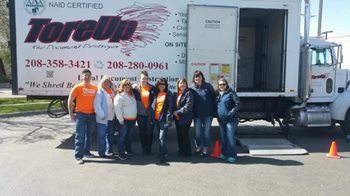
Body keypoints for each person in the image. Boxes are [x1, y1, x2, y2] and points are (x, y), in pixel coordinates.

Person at [68, 69, 98, 164]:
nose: (87, 77)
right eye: (85, 75)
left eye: (88, 75)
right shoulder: (77, 87)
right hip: (81, 115)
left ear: (91, 76)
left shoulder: (95, 87)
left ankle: (87, 152)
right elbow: (70, 100)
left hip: (92, 115)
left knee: (89, 135)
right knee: (80, 136)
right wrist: (71, 113)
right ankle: (78, 156)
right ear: (82, 76)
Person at [191, 70, 216, 157]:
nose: (197, 78)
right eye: (195, 77)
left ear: (202, 77)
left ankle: (205, 149)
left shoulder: (208, 86)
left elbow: (214, 98)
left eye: (199, 76)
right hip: (197, 115)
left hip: (208, 115)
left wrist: (214, 111)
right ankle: (198, 147)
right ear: (194, 79)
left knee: (206, 133)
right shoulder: (192, 88)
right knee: (197, 133)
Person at [216, 77, 240, 163]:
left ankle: (232, 155)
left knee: (230, 137)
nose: (222, 86)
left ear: (226, 85)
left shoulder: (231, 93)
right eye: (220, 85)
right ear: (218, 86)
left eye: (223, 84)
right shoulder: (219, 94)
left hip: (231, 120)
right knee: (223, 138)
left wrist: (230, 114)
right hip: (221, 120)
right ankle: (224, 153)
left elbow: (237, 104)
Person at [133, 70, 156, 154]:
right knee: (142, 132)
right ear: (139, 79)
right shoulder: (135, 88)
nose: (144, 80)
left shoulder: (152, 88)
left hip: (150, 115)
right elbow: (125, 90)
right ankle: (144, 146)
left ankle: (149, 147)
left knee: (149, 132)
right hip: (140, 114)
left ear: (148, 79)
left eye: (146, 78)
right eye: (142, 78)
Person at [114, 79, 137, 160]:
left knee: (129, 136)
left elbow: (136, 85)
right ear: (122, 86)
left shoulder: (132, 94)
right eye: (125, 85)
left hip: (132, 119)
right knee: (122, 137)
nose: (127, 86)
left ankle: (128, 151)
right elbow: (117, 108)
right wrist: (120, 119)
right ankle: (121, 153)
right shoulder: (120, 95)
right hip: (124, 120)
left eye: (128, 85)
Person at [93, 75, 116, 158]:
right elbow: (96, 105)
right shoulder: (100, 92)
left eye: (108, 81)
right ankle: (101, 152)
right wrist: (102, 115)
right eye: (105, 81)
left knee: (110, 135)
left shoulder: (113, 91)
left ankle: (109, 150)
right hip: (103, 118)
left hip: (112, 117)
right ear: (102, 83)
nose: (106, 83)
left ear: (110, 83)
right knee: (101, 135)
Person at [151, 78, 173, 162]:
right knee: (162, 138)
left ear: (166, 85)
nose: (162, 86)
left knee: (161, 138)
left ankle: (162, 154)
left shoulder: (168, 94)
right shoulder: (156, 93)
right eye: (160, 84)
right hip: (156, 119)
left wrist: (168, 117)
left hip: (164, 119)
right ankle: (164, 151)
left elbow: (170, 107)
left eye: (163, 84)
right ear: (158, 85)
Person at [173, 78, 194, 157]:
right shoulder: (176, 93)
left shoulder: (188, 93)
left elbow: (188, 106)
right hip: (177, 119)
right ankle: (181, 151)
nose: (182, 85)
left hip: (185, 118)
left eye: (184, 83)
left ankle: (187, 152)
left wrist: (177, 112)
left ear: (186, 84)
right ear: (178, 84)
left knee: (184, 135)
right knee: (179, 136)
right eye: (181, 83)